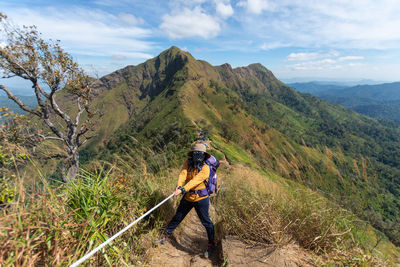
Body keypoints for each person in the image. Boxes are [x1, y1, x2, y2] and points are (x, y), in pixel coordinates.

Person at [159, 143, 215, 258]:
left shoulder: (206, 168)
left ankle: (211, 244)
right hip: (188, 197)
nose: (197, 156)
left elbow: (196, 180)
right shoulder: (188, 162)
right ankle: (165, 235)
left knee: (206, 221)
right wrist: (179, 186)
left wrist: (183, 189)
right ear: (193, 154)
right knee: (178, 217)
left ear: (204, 155)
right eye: (196, 153)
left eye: (200, 154)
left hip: (201, 198)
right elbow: (183, 174)